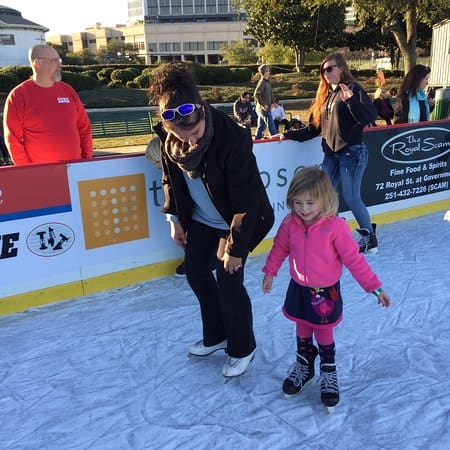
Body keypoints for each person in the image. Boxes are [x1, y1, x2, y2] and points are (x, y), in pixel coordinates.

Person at [149, 62, 274, 378]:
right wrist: (174, 219)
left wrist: (233, 249)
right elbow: (170, 179)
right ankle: (217, 334)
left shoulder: (233, 138)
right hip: (203, 220)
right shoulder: (168, 139)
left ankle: (242, 347)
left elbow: (246, 202)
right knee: (195, 273)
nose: (188, 141)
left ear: (203, 111)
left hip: (240, 220)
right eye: (179, 133)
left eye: (194, 133)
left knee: (228, 280)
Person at [262, 167, 391, 410]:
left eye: (310, 202)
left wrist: (375, 288)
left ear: (325, 199)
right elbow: (279, 247)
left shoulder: (336, 227)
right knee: (301, 325)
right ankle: (304, 364)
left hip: (324, 293)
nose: (303, 208)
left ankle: (328, 372)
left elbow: (355, 260)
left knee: (323, 331)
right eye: (298, 202)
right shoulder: (291, 223)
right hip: (299, 287)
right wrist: (270, 271)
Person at [279, 52, 379, 254]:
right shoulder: (327, 97)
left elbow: (368, 116)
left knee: (351, 197)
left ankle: (370, 238)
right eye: (322, 71)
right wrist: (288, 134)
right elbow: (314, 129)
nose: (325, 73)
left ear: (341, 68)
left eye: (329, 69)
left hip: (352, 152)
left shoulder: (353, 89)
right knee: (321, 197)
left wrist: (350, 101)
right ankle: (333, 234)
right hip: (331, 155)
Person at [3, 44, 92, 166]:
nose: (60, 65)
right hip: (41, 176)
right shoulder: (18, 96)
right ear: (38, 63)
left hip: (76, 172)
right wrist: (28, 171)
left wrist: (86, 160)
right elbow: (13, 139)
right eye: (55, 61)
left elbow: (84, 127)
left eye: (59, 60)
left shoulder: (68, 90)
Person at [146, 136, 185, 277]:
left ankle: (201, 262)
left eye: (157, 161)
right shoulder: (168, 173)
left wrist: (174, 220)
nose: (156, 166)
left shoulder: (177, 172)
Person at [253, 64, 277, 139]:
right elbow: (256, 94)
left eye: (269, 70)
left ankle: (256, 140)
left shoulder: (267, 82)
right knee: (271, 126)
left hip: (266, 108)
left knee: (261, 127)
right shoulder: (262, 82)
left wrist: (273, 102)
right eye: (267, 71)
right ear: (263, 72)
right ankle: (275, 140)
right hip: (264, 109)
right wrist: (264, 105)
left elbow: (270, 94)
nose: (269, 72)